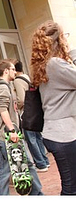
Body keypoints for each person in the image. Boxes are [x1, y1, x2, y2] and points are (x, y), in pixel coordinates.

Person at [30, 20, 76, 195]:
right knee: (71, 188)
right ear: (60, 40)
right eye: (65, 36)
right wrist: (72, 51)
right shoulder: (55, 64)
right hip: (63, 134)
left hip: (58, 132)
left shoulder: (46, 65)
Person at [0, 59, 43, 195]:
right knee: (16, 167)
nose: (15, 72)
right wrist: (12, 131)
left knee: (13, 167)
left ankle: (34, 193)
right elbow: (3, 110)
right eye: (12, 69)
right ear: (6, 71)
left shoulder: (5, 86)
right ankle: (35, 194)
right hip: (6, 136)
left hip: (7, 135)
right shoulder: (2, 87)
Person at [13, 60, 50, 172]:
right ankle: (45, 161)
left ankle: (40, 164)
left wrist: (16, 105)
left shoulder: (18, 81)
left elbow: (21, 99)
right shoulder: (27, 77)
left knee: (31, 139)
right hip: (35, 112)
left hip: (26, 113)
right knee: (38, 137)